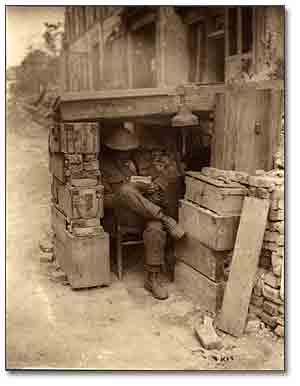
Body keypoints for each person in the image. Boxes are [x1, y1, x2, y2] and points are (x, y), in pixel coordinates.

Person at [101, 124, 185, 300]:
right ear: (112, 149)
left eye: (128, 150)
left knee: (155, 227)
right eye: (120, 150)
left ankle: (152, 278)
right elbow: (103, 201)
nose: (125, 154)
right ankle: (166, 219)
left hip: (148, 212)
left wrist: (155, 185)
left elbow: (162, 177)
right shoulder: (104, 167)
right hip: (125, 214)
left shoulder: (141, 161)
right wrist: (126, 194)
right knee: (125, 190)